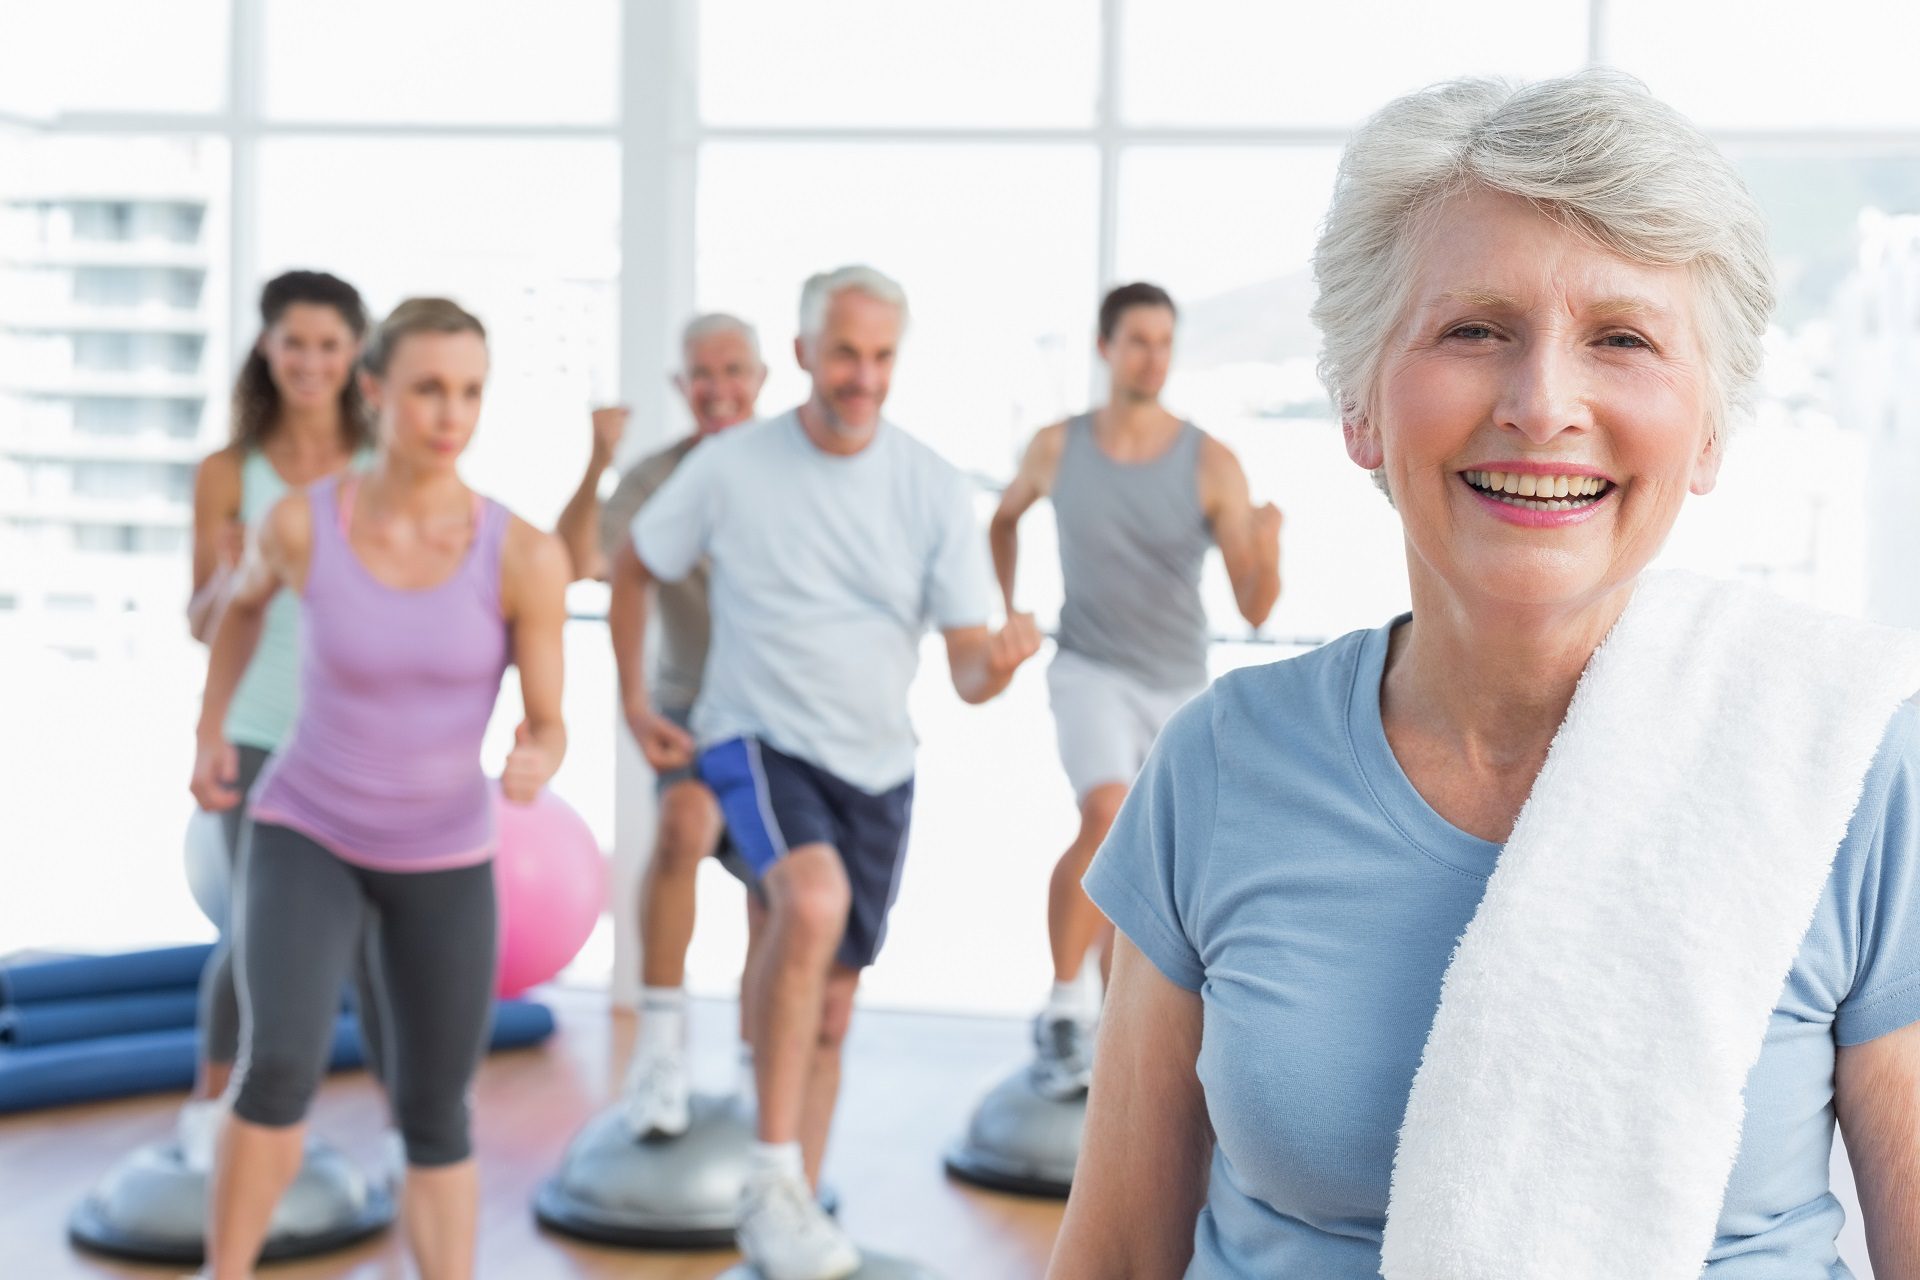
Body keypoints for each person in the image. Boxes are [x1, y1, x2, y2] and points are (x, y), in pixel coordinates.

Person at [1052, 72, 1920, 1279]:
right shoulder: (1220, 762)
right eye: (1475, 330)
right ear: (1360, 405)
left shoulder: (1849, 766)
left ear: (1711, 429)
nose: (1542, 403)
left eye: (1621, 339)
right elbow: (1114, 1261)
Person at [610, 266, 1040, 1280]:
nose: (863, 376)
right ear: (803, 354)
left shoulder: (931, 483)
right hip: (752, 734)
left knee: (835, 1003)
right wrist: (635, 700)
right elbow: (632, 562)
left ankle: (791, 1209)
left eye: (882, 356)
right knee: (807, 898)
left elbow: (969, 669)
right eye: (845, 353)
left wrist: (1001, 662)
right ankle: (767, 1168)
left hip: (877, 763)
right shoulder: (730, 468)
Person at [190, 298, 570, 1280]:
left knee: (437, 1107)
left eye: (471, 391)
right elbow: (237, 614)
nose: (452, 413)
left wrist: (539, 752)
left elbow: (548, 715)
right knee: (277, 1065)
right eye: (429, 388)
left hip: (444, 854)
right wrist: (211, 729)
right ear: (376, 392)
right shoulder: (302, 523)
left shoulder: (522, 552)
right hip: (304, 828)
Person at [989, 281, 1281, 1099]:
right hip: (1087, 666)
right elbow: (1003, 520)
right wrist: (1008, 606)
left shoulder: (1211, 461)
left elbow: (1256, 605)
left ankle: (1116, 1031)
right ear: (1105, 347)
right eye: (1138, 340)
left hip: (1176, 681)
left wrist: (1272, 548)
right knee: (1105, 812)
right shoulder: (1056, 446)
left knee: (1146, 868)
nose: (1152, 357)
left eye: (1164, 342)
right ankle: (1059, 1007)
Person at [181, 269, 387, 1170]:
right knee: (255, 930)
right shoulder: (229, 472)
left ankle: (401, 1124)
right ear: (266, 347)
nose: (310, 361)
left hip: (364, 738)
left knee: (376, 935)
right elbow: (200, 621)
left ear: (356, 357)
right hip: (260, 730)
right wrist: (231, 576)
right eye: (293, 342)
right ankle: (210, 1107)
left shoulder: (383, 469)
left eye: (329, 345)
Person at [553, 313, 768, 1136]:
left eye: (733, 371)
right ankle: (660, 1052)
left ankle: (757, 1064)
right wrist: (598, 459)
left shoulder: (792, 470)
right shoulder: (656, 478)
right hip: (687, 707)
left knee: (771, 896)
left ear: (761, 379)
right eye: (701, 374)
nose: (718, 389)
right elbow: (578, 560)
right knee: (682, 825)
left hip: (779, 713)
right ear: (682, 388)